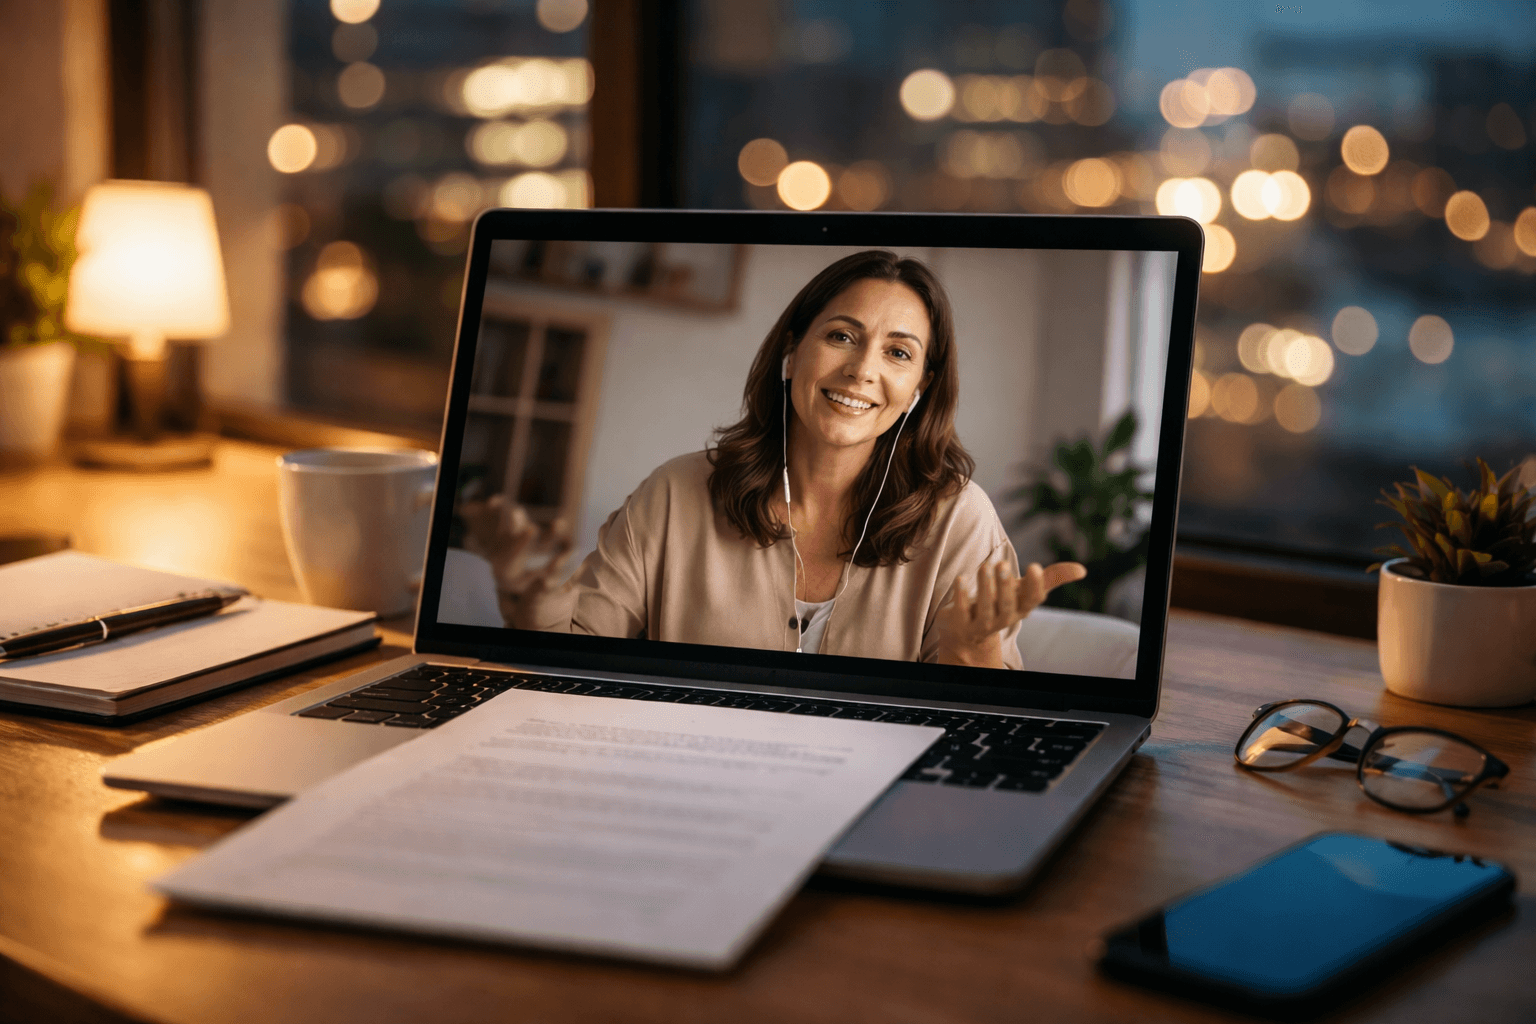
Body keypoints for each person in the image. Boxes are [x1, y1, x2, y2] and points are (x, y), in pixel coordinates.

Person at [461, 249, 1085, 669]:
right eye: (841, 336)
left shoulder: (961, 520)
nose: (862, 370)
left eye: (898, 353)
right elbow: (571, 665)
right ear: (793, 352)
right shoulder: (676, 493)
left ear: (920, 387)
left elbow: (973, 736)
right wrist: (526, 593)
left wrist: (972, 654)